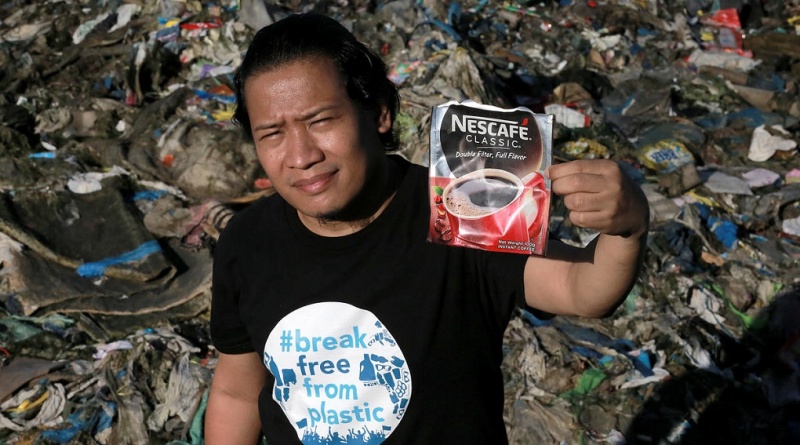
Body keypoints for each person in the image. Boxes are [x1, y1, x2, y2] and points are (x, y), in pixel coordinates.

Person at [205, 12, 649, 445]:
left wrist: (627, 226)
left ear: (379, 112)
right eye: (272, 134)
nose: (301, 156)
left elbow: (582, 289)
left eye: (320, 121)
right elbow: (237, 392)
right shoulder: (247, 242)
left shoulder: (459, 207)